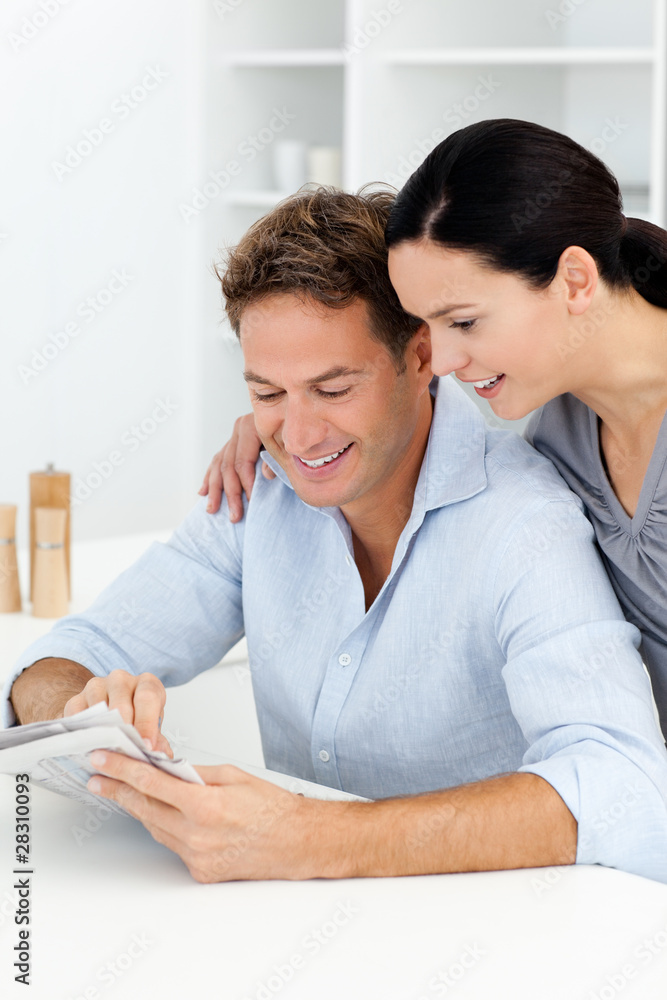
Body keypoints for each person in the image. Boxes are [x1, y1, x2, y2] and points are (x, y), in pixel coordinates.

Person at [6, 188, 667, 885]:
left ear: (421, 356)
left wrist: (315, 837)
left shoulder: (525, 525)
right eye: (266, 394)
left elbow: (623, 783)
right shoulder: (257, 493)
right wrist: (85, 717)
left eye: (332, 388)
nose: (298, 435)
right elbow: (58, 661)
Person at [206, 119, 667, 738]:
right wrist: (288, 417)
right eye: (427, 325)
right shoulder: (560, 427)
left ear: (576, 281)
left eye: (466, 323)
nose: (442, 363)